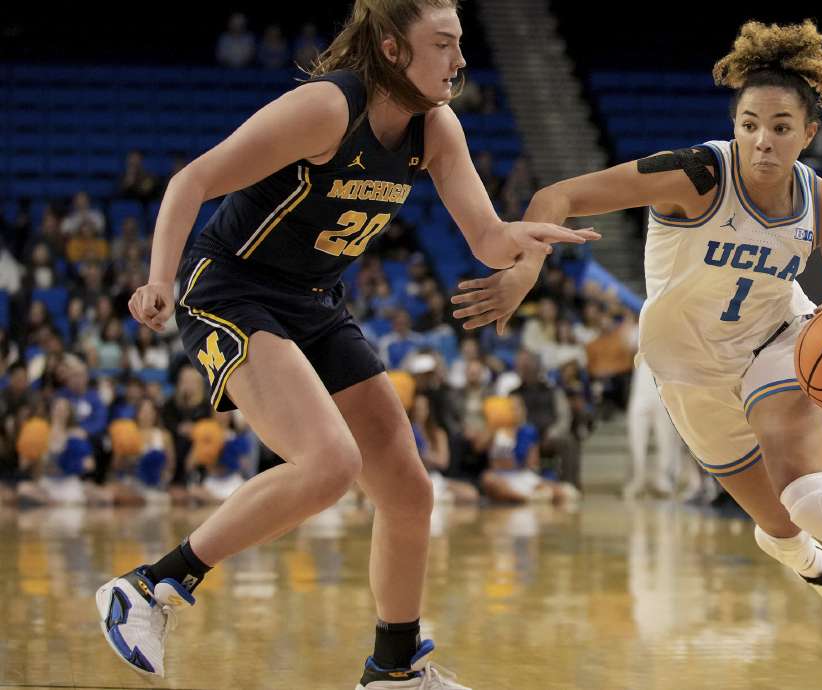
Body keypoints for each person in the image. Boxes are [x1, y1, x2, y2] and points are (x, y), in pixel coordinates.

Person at [451, 20, 822, 689]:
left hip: (781, 341)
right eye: (748, 124)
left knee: (808, 495)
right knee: (776, 526)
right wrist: (525, 265)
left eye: (779, 126)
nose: (761, 140)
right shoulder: (696, 174)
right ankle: (818, 570)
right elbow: (560, 196)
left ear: (808, 133)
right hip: (686, 365)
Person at [95, 2, 595, 688]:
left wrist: (527, 249)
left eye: (460, 44)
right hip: (231, 292)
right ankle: (149, 588)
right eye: (443, 44)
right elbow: (192, 181)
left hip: (315, 304)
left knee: (408, 489)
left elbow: (486, 237)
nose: (460, 60)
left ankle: (393, 670)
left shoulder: (435, 127)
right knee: (330, 463)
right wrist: (155, 280)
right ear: (392, 49)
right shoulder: (328, 109)